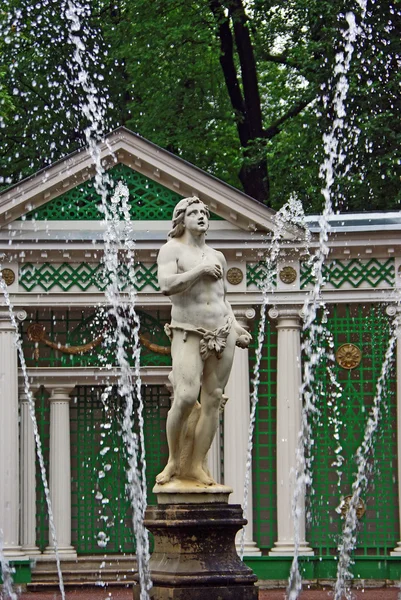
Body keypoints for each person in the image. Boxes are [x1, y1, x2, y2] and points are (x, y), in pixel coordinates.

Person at [156, 196, 251, 486]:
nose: (200, 216)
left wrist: (235, 326)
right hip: (188, 331)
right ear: (181, 220)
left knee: (213, 399)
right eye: (193, 212)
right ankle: (174, 461)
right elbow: (166, 285)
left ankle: (196, 464)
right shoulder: (171, 250)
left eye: (203, 212)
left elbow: (222, 298)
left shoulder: (217, 256)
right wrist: (199, 272)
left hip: (223, 333)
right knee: (185, 396)